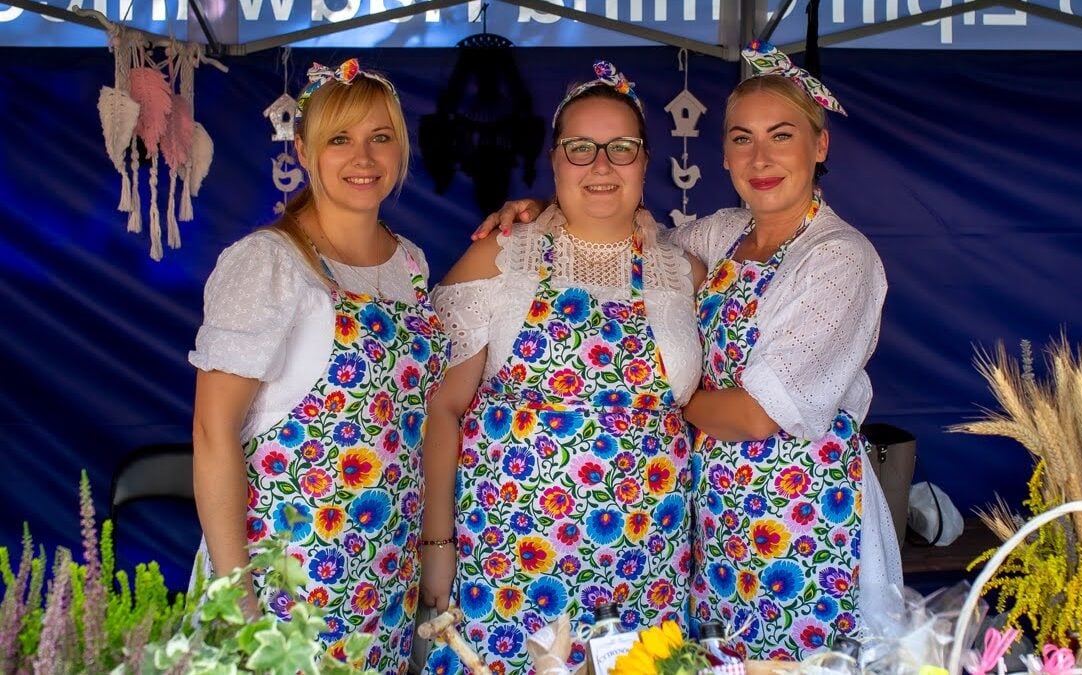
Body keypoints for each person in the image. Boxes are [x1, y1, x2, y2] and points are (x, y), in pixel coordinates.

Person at [475, 42, 903, 660]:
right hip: (714, 518)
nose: (760, 158)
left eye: (781, 136)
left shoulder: (839, 257)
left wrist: (652, 399)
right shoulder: (724, 233)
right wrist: (548, 206)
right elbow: (620, 226)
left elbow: (758, 415)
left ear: (820, 145)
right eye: (742, 138)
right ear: (723, 153)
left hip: (806, 516)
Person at [419, 61, 706, 674]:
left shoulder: (687, 272)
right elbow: (441, 407)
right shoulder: (500, 258)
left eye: (621, 148)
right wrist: (436, 543)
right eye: (580, 148)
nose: (601, 165)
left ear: (645, 162)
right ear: (554, 161)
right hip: (513, 562)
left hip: (645, 561)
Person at [190, 59, 448, 674]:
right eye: (339, 139)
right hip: (285, 581)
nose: (363, 157)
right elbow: (211, 431)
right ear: (303, 151)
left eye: (380, 137)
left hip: (383, 576)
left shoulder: (410, 263)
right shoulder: (269, 263)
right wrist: (238, 603)